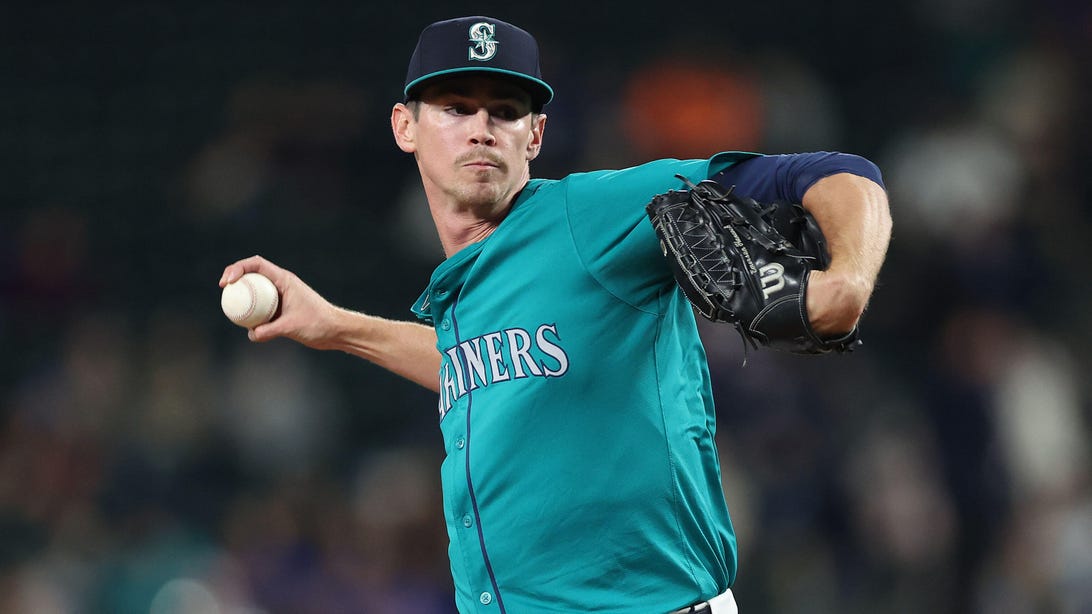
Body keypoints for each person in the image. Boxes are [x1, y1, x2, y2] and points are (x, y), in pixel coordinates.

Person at [219, 15, 892, 614]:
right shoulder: (469, 281)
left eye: (505, 111)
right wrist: (336, 327)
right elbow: (480, 367)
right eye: (455, 106)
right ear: (405, 127)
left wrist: (844, 285)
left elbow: (839, 172)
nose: (481, 128)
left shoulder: (590, 217)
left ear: (535, 134)